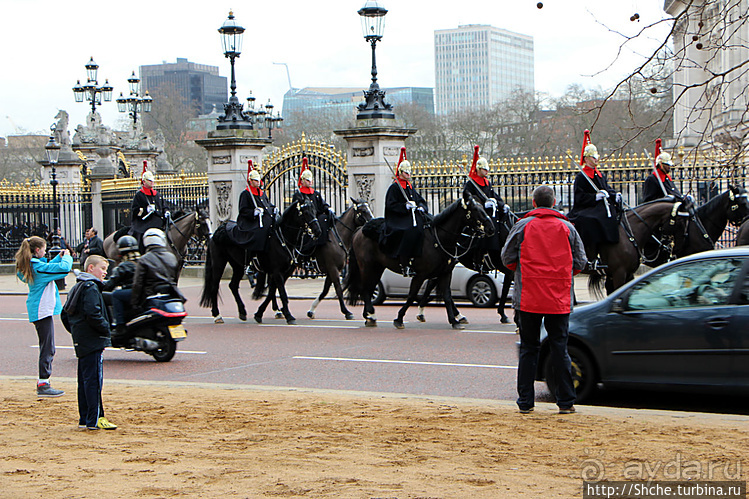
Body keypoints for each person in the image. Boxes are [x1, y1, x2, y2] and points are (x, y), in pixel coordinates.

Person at [501, 185, 587, 415]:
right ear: (555, 202)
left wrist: (522, 271)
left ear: (533, 202)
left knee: (529, 349)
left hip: (528, 297)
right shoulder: (567, 227)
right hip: (558, 299)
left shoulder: (522, 226)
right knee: (560, 348)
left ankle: (526, 402)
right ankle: (566, 401)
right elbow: (580, 261)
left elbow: (507, 257)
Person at [61, 255, 117, 431]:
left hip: (83, 340)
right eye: (102, 269)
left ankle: (85, 418)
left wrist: (77, 333)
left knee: (85, 380)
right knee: (93, 380)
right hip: (92, 340)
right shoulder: (91, 287)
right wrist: (105, 329)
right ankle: (94, 420)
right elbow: (93, 313)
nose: (104, 273)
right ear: (90, 269)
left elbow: (65, 314)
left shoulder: (78, 286)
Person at [14, 236, 73, 397]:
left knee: (47, 346)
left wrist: (58, 257)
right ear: (38, 250)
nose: (45, 252)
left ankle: (44, 382)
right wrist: (67, 256)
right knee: (48, 348)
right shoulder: (37, 267)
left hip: (39, 309)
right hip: (41, 310)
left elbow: (48, 267)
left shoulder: (34, 265)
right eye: (45, 249)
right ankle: (43, 383)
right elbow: (63, 269)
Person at [566, 130, 621, 266]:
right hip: (586, 208)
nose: (596, 159)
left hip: (600, 207)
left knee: (613, 215)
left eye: (596, 156)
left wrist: (615, 196)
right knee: (592, 219)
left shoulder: (598, 174)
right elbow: (580, 197)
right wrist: (595, 197)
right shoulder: (582, 177)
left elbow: (607, 189)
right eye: (593, 157)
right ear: (586, 159)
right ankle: (592, 254)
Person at [381, 147, 429, 276]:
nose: (409, 174)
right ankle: (404, 263)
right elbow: (390, 205)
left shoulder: (409, 186)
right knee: (409, 231)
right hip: (399, 218)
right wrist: (404, 207)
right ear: (401, 172)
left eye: (409, 172)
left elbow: (421, 200)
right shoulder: (395, 187)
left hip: (412, 216)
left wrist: (421, 207)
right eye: (406, 172)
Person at [462, 145, 510, 271]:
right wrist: (483, 205)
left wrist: (502, 204)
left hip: (489, 212)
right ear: (478, 169)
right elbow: (469, 200)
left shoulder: (487, 183)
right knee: (484, 228)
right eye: (484, 169)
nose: (487, 172)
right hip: (478, 214)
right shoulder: (471, 184)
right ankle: (480, 258)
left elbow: (494, 195)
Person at [227, 161, 275, 253]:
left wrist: (273, 208)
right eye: (256, 180)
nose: (258, 182)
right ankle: (254, 255)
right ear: (251, 181)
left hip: (263, 220)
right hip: (250, 222)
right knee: (258, 233)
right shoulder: (246, 194)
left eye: (258, 180)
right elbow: (243, 210)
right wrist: (253, 212)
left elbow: (267, 204)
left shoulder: (262, 193)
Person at [130, 228, 182, 312]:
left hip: (150, 295)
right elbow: (175, 277)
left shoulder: (144, 259)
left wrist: (135, 303)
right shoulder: (171, 257)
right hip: (169, 293)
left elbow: (138, 283)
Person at [292, 157, 334, 251]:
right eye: (307, 180)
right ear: (302, 180)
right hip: (305, 221)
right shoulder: (298, 195)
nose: (310, 182)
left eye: (311, 180)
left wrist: (328, 208)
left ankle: (323, 242)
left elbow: (322, 205)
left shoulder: (315, 194)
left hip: (315, 219)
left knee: (324, 219)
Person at [102, 235, 140, 339]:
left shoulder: (125, 265)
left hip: (133, 293)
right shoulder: (142, 261)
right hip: (144, 293)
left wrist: (103, 285)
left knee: (115, 295)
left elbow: (111, 283)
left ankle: (119, 325)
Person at [130, 163, 168, 253]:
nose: (152, 183)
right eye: (150, 181)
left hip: (158, 220)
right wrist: (145, 211)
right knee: (141, 234)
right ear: (144, 181)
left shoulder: (157, 194)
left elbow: (164, 205)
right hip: (145, 221)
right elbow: (135, 210)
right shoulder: (139, 195)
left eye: (152, 181)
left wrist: (166, 211)